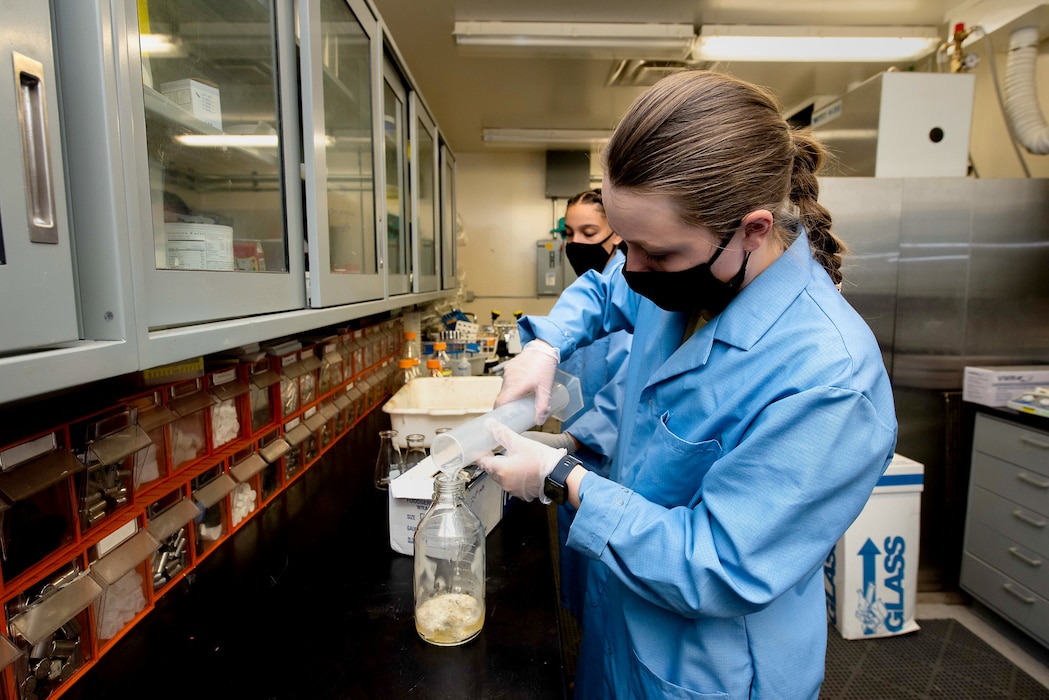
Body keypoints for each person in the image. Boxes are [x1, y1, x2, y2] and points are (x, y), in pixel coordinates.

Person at [475, 70, 898, 699]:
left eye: (655, 254)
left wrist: (564, 480)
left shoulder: (829, 380)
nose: (632, 270)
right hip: (619, 615)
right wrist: (546, 343)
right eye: (625, 245)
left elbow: (721, 566)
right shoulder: (687, 263)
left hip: (705, 667)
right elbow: (601, 289)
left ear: (753, 229)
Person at [525, 188, 632, 621]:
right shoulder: (592, 287)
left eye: (589, 231)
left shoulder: (634, 282)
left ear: (619, 232)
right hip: (577, 456)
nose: (576, 243)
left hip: (607, 459)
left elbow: (629, 389)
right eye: (569, 232)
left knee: (601, 577)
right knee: (578, 564)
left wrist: (571, 437)